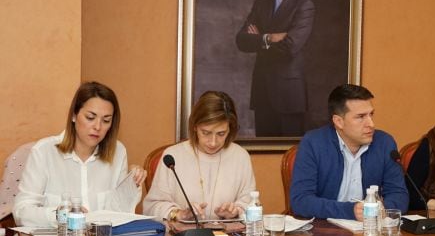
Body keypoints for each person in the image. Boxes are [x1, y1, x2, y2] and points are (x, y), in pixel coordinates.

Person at [14, 82, 146, 227]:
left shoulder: (118, 152)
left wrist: (131, 182)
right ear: (74, 115)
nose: (97, 127)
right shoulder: (44, 152)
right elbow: (21, 212)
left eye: (106, 120)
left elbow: (119, 214)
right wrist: (61, 215)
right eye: (90, 117)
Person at [290, 84, 409, 220]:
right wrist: (350, 211)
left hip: (371, 230)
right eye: (360, 117)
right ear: (339, 122)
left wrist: (381, 207)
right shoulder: (313, 143)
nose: (371, 124)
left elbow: (399, 195)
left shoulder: (384, 143)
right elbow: (300, 201)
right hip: (325, 232)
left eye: (371, 114)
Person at [236, 0, 315, 137]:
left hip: (289, 96)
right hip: (262, 92)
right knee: (263, 152)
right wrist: (270, 37)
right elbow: (241, 40)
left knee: (288, 156)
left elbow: (290, 47)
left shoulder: (304, 5)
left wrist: (259, 39)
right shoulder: (261, 4)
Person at [143, 91, 256, 222]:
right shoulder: (173, 156)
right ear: (195, 126)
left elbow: (250, 204)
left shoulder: (240, 156)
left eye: (221, 133)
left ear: (230, 129)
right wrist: (178, 214)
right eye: (206, 133)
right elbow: (151, 207)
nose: (213, 142)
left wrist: (236, 211)